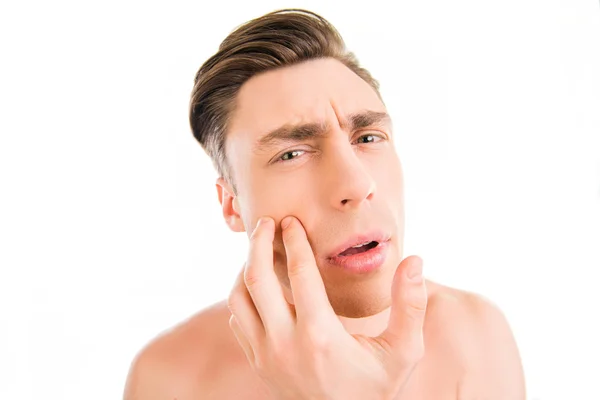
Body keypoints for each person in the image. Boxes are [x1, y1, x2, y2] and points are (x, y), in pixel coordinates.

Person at [123, 8, 526, 399]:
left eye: (368, 138)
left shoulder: (476, 339)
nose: (357, 183)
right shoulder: (168, 378)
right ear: (232, 205)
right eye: (292, 153)